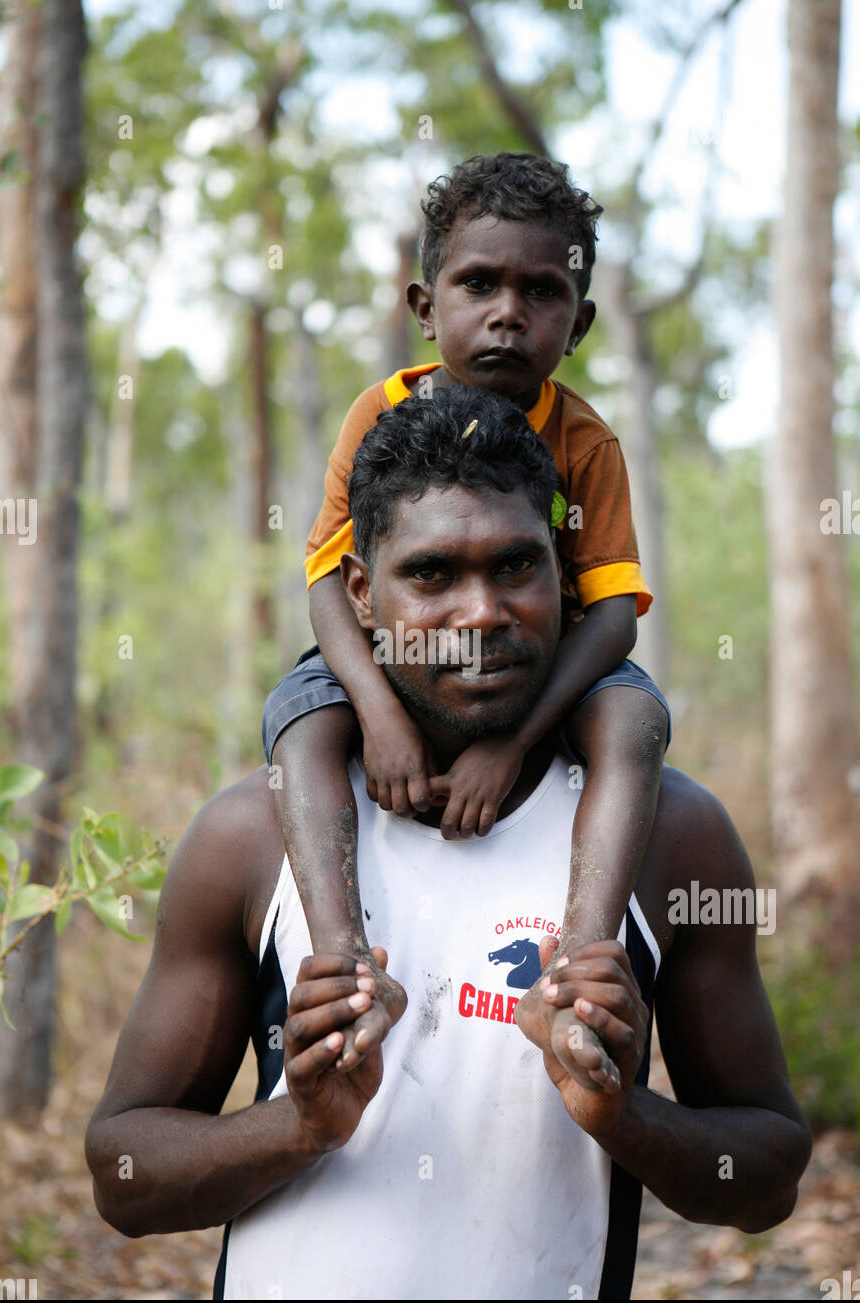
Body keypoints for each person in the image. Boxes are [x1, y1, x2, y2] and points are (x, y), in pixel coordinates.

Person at [86, 386, 811, 1301]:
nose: (482, 613)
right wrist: (299, 1126)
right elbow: (121, 1174)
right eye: (431, 575)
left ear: (564, 575)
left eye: (517, 567)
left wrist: (622, 1116)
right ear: (361, 592)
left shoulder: (673, 837)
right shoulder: (250, 837)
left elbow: (769, 1177)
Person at [262, 151, 670, 1088]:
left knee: (636, 718)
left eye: (542, 291)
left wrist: (513, 742)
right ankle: (341, 963)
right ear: (424, 302)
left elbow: (610, 617)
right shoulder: (381, 411)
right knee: (299, 719)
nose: (507, 313)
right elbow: (330, 582)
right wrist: (378, 710)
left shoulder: (586, 443)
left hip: (544, 667)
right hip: (395, 661)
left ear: (581, 321)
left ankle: (580, 966)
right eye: (478, 283)